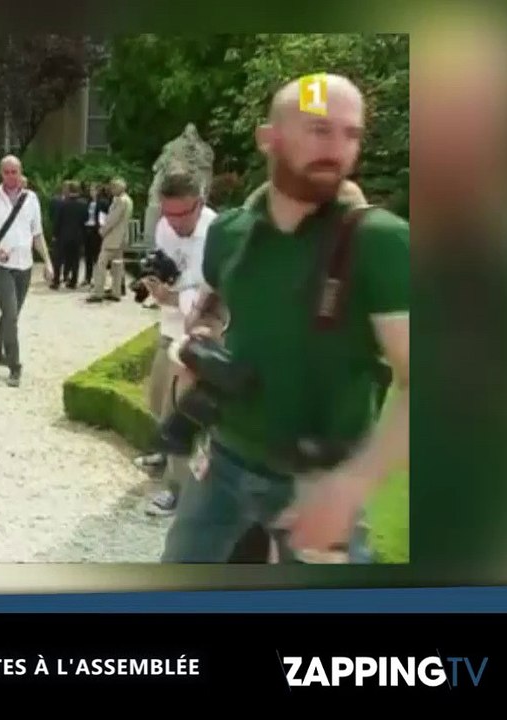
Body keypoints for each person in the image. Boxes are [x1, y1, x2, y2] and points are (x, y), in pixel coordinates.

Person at [160, 74, 410, 563]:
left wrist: (352, 485)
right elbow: (214, 302)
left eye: (351, 133)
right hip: (222, 461)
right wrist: (203, 338)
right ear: (268, 137)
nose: (337, 148)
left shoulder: (380, 242)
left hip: (317, 483)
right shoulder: (230, 232)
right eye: (319, 130)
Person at [135, 169, 219, 518]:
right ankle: (165, 459)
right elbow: (165, 267)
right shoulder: (165, 225)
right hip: (169, 325)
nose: (174, 223)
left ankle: (178, 493)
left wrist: (175, 298)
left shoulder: (216, 233)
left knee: (179, 413)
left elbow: (212, 293)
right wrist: (155, 286)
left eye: (181, 215)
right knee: (157, 399)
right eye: (167, 214)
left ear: (199, 204)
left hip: (198, 333)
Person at [0, 155, 54, 387]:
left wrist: (47, 262)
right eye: (6, 172)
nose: (11, 176)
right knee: (10, 314)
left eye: (14, 172)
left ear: (20, 172)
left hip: (25, 266)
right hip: (1, 267)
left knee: (12, 314)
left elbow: (37, 234)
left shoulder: (32, 199)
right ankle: (14, 365)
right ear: (1, 173)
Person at [86, 177, 132, 302]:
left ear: (119, 188)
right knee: (117, 265)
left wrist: (103, 230)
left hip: (113, 237)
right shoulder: (128, 200)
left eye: (113, 187)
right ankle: (116, 292)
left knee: (101, 263)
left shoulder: (120, 201)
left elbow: (112, 219)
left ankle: (98, 292)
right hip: (121, 237)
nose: (111, 190)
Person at [51, 180, 89, 289]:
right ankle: (73, 281)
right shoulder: (83, 204)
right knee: (75, 259)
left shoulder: (62, 204)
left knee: (59, 258)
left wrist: (55, 234)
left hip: (63, 235)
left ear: (68, 190)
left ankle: (56, 281)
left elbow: (58, 221)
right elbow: (86, 219)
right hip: (77, 235)